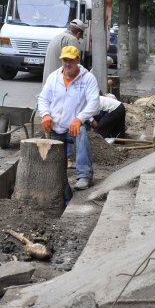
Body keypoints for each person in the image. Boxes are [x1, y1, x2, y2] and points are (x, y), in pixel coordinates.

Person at [38, 45, 100, 197]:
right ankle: (62, 191)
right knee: (56, 167)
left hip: (74, 126)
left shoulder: (88, 79)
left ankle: (84, 175)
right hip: (55, 127)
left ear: (77, 60)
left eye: (71, 60)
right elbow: (43, 98)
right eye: (65, 60)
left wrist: (79, 119)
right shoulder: (54, 77)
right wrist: (45, 114)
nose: (67, 64)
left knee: (82, 133)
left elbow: (94, 103)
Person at [42, 19, 85, 85]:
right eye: (79, 37)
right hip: (59, 84)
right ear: (78, 34)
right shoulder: (72, 39)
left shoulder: (56, 37)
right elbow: (76, 66)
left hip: (49, 82)